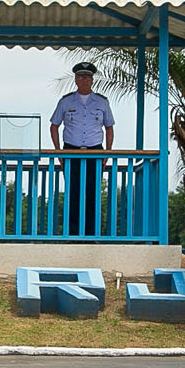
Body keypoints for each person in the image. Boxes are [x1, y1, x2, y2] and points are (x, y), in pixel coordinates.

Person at [50, 61, 115, 238]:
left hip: (95, 151)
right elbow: (54, 125)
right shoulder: (66, 101)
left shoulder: (102, 102)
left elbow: (109, 127)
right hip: (71, 151)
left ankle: (92, 234)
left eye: (87, 77)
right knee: (73, 193)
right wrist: (58, 152)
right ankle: (73, 234)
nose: (84, 80)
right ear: (76, 80)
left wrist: (107, 153)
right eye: (80, 77)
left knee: (93, 193)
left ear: (92, 80)